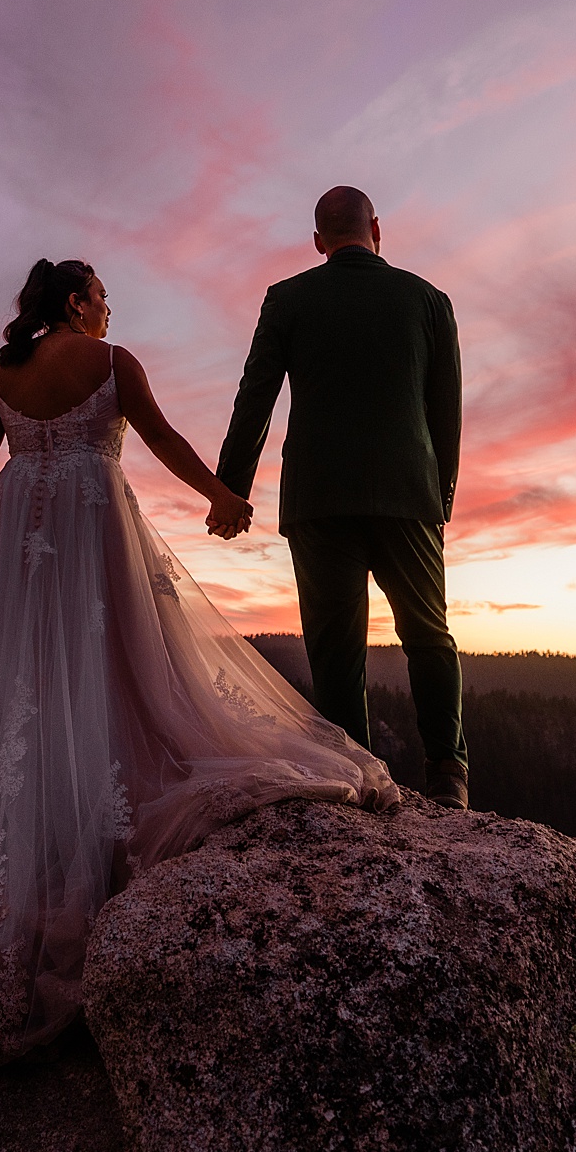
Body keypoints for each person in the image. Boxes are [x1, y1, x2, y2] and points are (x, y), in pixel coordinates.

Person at [0, 257, 395, 1067]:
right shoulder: (109, 361)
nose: (108, 309)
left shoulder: (3, 370)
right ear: (76, 301)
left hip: (21, 533)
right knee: (121, 655)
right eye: (102, 297)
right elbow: (161, 438)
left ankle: (32, 828)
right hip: (94, 525)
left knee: (31, 669)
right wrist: (221, 495)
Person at [214, 186, 469, 808]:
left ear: (319, 242)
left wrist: (230, 490)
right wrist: (441, 498)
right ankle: (448, 773)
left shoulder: (288, 299)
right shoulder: (428, 301)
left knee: (335, 648)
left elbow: (256, 398)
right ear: (376, 229)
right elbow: (446, 412)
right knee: (428, 635)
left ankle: (353, 776)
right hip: (408, 494)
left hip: (319, 497)